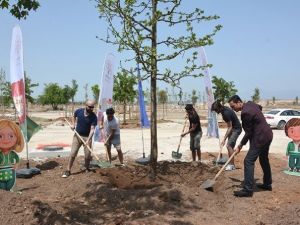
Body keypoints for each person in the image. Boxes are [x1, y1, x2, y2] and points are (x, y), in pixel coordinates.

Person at [228, 95, 273, 197]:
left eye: (233, 106)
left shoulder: (245, 113)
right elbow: (259, 107)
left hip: (260, 137)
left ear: (239, 102)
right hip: (268, 134)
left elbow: (248, 133)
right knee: (264, 159)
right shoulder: (250, 104)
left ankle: (247, 190)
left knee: (248, 161)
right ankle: (267, 184)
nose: (232, 109)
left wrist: (240, 145)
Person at [62, 100, 97, 178]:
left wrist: (88, 140)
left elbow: (92, 129)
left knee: (88, 155)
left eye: (93, 107)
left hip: (87, 137)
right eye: (90, 107)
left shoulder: (94, 116)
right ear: (86, 106)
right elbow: (74, 116)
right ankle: (68, 170)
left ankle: (87, 168)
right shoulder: (79, 111)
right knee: (72, 153)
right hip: (77, 136)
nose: (91, 108)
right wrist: (73, 124)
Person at [211, 100, 242, 171]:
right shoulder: (224, 109)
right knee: (230, 146)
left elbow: (230, 127)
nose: (216, 112)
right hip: (233, 128)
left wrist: (224, 139)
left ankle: (231, 165)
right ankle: (230, 162)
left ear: (218, 108)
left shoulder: (225, 113)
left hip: (236, 129)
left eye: (216, 110)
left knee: (229, 145)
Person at [0, 120, 24, 191]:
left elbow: (17, 159)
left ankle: (9, 192)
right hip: (1, 173)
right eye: (0, 136)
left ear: (18, 138)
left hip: (11, 173)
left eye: (11, 136)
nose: (5, 140)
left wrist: (16, 165)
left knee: (10, 186)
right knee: (2, 187)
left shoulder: (13, 154)